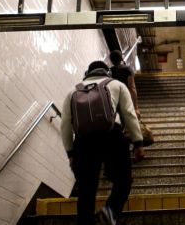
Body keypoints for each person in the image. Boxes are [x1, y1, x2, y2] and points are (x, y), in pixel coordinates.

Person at [61, 61, 145, 225]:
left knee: (86, 188)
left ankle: (85, 221)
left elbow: (65, 124)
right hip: (112, 136)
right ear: (107, 72)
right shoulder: (116, 85)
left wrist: (71, 153)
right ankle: (110, 212)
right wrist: (138, 143)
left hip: (83, 142)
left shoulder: (72, 91)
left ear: (87, 73)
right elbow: (129, 114)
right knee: (123, 181)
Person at [109, 50, 140, 118]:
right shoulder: (128, 69)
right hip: (125, 100)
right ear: (121, 58)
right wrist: (136, 108)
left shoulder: (109, 71)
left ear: (111, 60)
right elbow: (132, 88)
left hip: (114, 101)